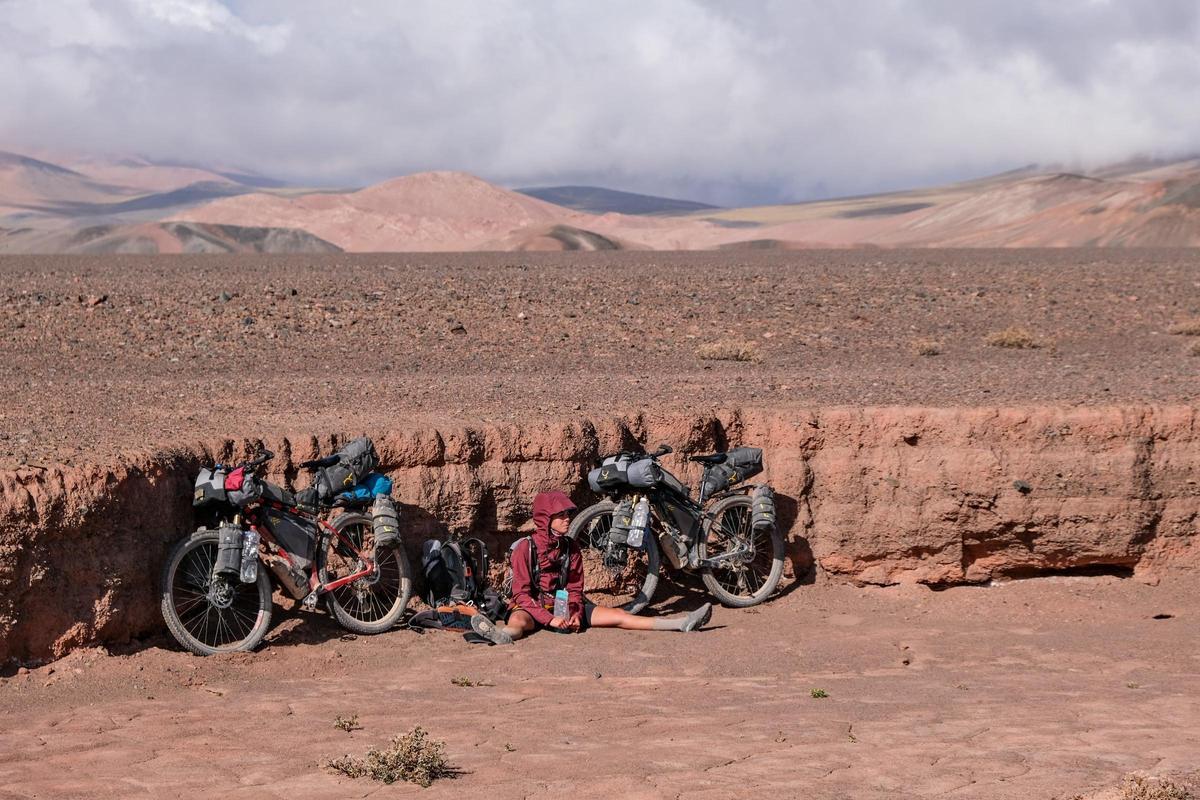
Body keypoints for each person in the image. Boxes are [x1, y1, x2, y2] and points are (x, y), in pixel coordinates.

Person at [470, 490, 712, 645]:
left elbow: (575, 588)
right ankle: (501, 636)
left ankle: (680, 623)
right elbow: (521, 594)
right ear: (546, 519)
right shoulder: (526, 548)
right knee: (518, 623)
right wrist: (549, 619)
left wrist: (574, 613)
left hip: (563, 609)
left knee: (619, 616)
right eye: (561, 515)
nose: (567, 519)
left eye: (568, 514)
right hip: (533, 609)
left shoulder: (571, 547)